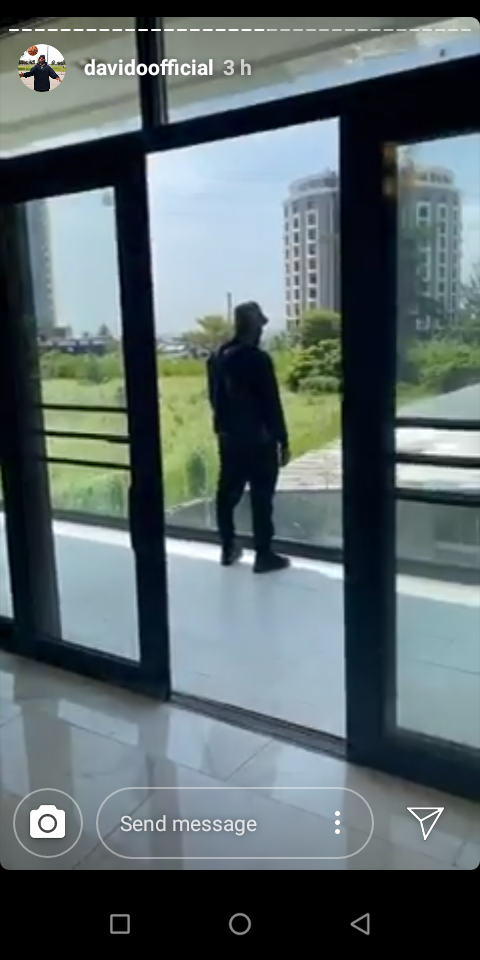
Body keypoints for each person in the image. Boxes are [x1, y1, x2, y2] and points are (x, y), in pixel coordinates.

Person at [207, 301, 291, 574]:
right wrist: (283, 440)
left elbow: (214, 399)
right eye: (260, 325)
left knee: (226, 494)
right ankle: (263, 555)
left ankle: (228, 546)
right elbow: (271, 403)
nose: (262, 330)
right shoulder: (258, 359)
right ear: (253, 327)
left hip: (229, 438)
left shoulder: (217, 357)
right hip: (259, 440)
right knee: (261, 498)